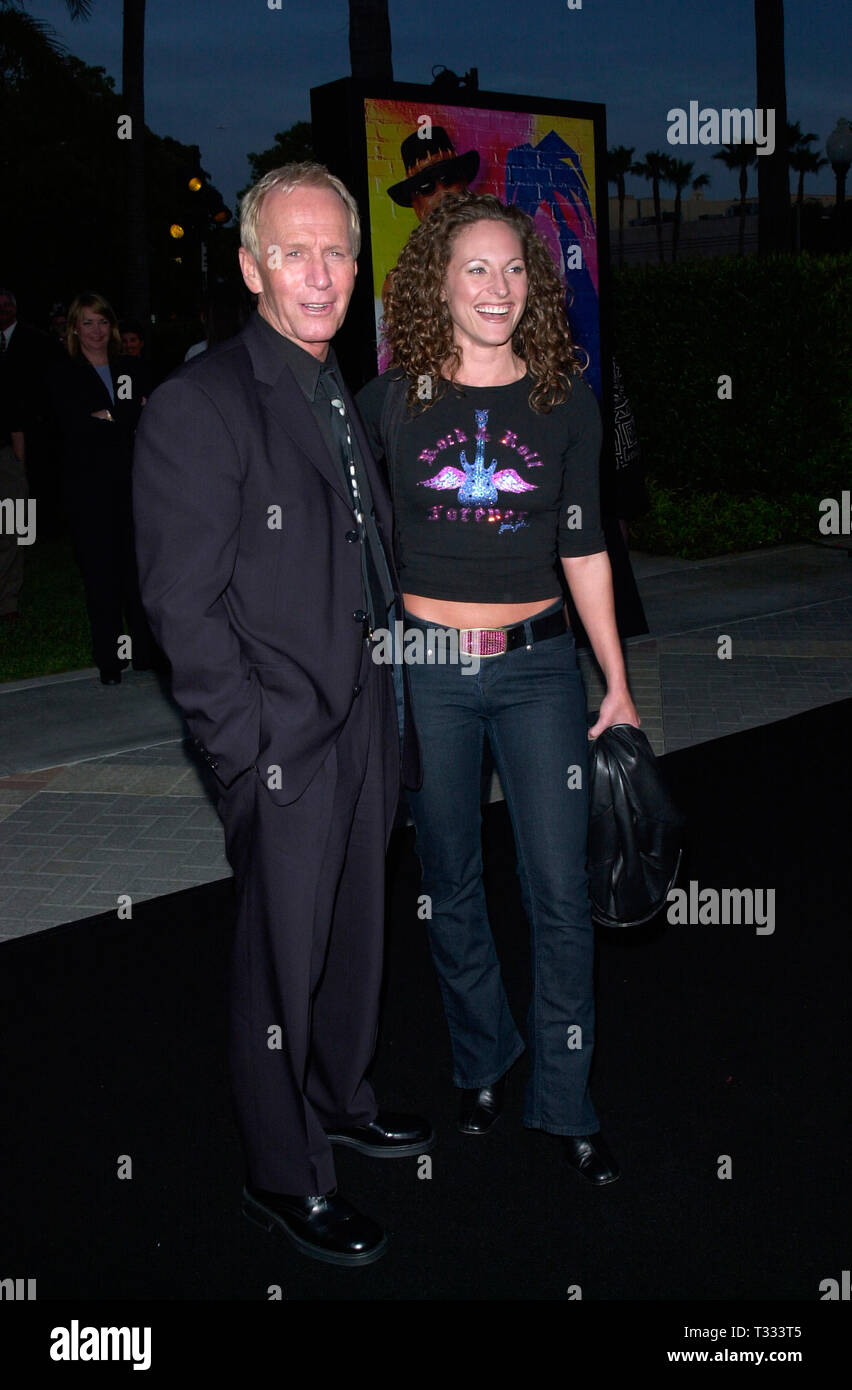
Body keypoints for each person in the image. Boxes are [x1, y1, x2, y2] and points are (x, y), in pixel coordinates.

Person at [132, 163, 431, 1268]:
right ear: (253, 267)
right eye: (294, 253)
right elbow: (181, 607)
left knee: (354, 932)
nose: (320, 274)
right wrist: (248, 747)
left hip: (365, 718)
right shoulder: (199, 404)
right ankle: (284, 1169)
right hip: (283, 741)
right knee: (278, 959)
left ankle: (343, 1097)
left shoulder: (337, 391)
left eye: (337, 253)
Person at [357, 192, 640, 1185]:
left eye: (515, 269)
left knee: (560, 888)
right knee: (450, 879)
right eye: (475, 268)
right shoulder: (391, 402)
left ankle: (563, 1098)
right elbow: (354, 546)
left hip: (537, 668)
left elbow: (586, 546)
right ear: (438, 281)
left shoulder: (565, 403)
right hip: (425, 668)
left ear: (537, 287)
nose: (497, 287)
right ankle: (483, 1056)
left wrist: (618, 681)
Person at [48, 292, 158, 683]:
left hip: (135, 487)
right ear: (75, 328)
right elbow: (74, 427)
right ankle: (110, 661)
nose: (97, 330)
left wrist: (108, 416)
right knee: (100, 577)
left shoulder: (131, 367)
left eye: (103, 322)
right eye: (88, 322)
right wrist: (121, 416)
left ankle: (145, 653)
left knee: (138, 572)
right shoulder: (64, 372)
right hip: (88, 492)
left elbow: (143, 416)